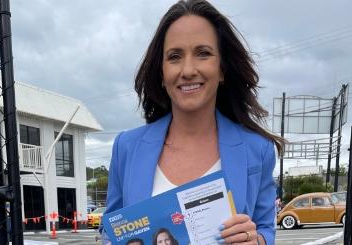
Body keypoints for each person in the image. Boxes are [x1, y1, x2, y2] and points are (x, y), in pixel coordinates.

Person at [102, 0, 284, 244]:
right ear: (162, 72)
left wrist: (257, 240)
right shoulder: (127, 148)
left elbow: (266, 229)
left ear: (221, 69)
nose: (188, 70)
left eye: (203, 53)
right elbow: (110, 231)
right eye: (175, 56)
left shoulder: (257, 150)